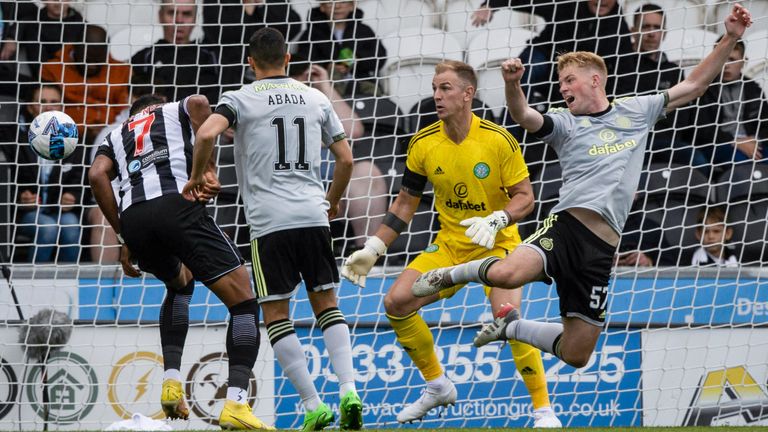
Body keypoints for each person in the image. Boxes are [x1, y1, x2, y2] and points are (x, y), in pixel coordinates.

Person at [411, 5, 752, 369]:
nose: (563, 87)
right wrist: (513, 85)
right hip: (567, 230)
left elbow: (695, 84)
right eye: (560, 82)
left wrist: (730, 36)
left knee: (577, 354)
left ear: (594, 80)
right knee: (507, 274)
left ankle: (511, 328)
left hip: (602, 250)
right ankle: (447, 274)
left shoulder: (637, 111)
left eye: (569, 80)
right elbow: (523, 116)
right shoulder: (563, 123)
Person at [341, 60, 560, 427]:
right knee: (396, 303)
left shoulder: (497, 139)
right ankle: (438, 385)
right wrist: (374, 248)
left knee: (507, 318)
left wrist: (498, 219)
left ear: (467, 94)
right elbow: (405, 204)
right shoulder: (424, 143)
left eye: (445, 88)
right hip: (450, 246)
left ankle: (543, 411)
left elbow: (525, 197)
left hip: (498, 244)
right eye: (434, 88)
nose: (437, 95)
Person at [183, 28, 362, 432]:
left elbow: (208, 132)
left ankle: (314, 405)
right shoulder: (315, 98)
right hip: (313, 216)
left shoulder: (239, 99)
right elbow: (347, 159)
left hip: (269, 223)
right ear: (287, 60)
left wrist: (199, 175)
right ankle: (349, 390)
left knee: (277, 314)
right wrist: (331, 202)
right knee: (328, 305)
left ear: (250, 63)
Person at [89, 93, 273, 430]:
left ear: (134, 115)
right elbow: (201, 101)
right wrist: (208, 171)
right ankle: (235, 404)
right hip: (176, 205)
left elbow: (97, 175)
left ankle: (172, 382)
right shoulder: (172, 109)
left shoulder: (115, 135)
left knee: (181, 283)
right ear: (155, 106)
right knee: (245, 302)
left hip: (135, 220)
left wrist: (124, 235)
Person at [288, 57, 388, 253]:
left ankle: (367, 255)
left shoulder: (321, 104)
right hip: (292, 182)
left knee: (368, 172)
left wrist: (324, 84)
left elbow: (354, 131)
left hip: (334, 186)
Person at [470, 0, 632, 103]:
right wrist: (490, 5)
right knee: (529, 66)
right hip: (546, 62)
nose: (601, 1)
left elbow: (624, 72)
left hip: (576, 80)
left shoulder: (619, 29)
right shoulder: (566, 5)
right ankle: (511, 133)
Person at [614, 3, 696, 167]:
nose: (651, 33)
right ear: (633, 31)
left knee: (697, 161)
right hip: (627, 141)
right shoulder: (619, 65)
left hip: (665, 141)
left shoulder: (673, 71)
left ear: (664, 33)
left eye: (656, 27)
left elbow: (681, 115)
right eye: (645, 27)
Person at [15, 84, 84, 263]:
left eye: (54, 102)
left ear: (62, 108)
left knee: (71, 225)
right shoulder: (15, 141)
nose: (48, 107)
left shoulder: (74, 140)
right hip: (24, 215)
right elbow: (8, 178)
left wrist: (72, 196)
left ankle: (69, 282)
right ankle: (32, 282)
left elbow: (81, 180)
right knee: (47, 227)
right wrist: (20, 197)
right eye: (42, 101)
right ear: (30, 108)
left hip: (60, 211)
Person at [40, 24, 131, 142]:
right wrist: (80, 130)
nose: (93, 65)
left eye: (98, 60)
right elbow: (46, 112)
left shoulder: (121, 71)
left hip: (111, 137)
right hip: (64, 136)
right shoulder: (53, 69)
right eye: (88, 59)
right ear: (75, 48)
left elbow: (124, 112)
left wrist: (107, 131)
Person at [692, 36, 768, 168]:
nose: (726, 65)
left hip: (753, 143)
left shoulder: (753, 89)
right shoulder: (704, 88)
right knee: (742, 163)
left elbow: (765, 122)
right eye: (722, 59)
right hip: (719, 145)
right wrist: (734, 141)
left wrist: (755, 139)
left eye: (732, 59)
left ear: (744, 61)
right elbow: (702, 130)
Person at [131, 0, 220, 104]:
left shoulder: (211, 57)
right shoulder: (144, 58)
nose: (179, 20)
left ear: (195, 18)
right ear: (160, 16)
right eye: (172, 13)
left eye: (186, 14)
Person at [201, 0, 301, 90]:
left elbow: (292, 26)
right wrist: (247, 9)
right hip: (228, 77)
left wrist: (262, 4)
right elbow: (219, 34)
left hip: (271, 77)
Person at [295, 0, 386, 97]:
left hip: (360, 82)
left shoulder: (363, 30)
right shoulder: (311, 34)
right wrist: (327, 66)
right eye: (330, 2)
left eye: (343, 2)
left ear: (352, 6)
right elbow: (303, 61)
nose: (337, 6)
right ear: (322, 6)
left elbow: (379, 56)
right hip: (325, 86)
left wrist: (357, 60)